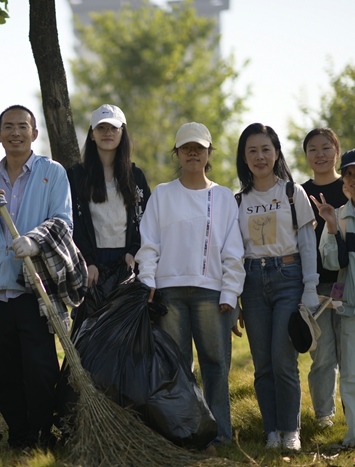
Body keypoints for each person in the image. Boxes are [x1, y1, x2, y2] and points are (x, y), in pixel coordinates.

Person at [0, 105, 72, 448]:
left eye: (22, 127)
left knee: (40, 370)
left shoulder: (51, 172)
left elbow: (63, 221)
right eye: (8, 127)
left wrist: (35, 240)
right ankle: (21, 437)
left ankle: (43, 432)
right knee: (3, 373)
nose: (15, 133)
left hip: (35, 289)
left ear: (34, 133)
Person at [136, 122, 245, 449]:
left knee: (216, 365)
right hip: (169, 293)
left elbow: (233, 249)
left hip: (212, 294)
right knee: (179, 367)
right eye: (186, 148)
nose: (193, 153)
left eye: (199, 148)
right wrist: (147, 281)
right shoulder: (162, 194)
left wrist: (230, 291)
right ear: (178, 153)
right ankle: (184, 434)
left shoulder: (224, 197)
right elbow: (149, 243)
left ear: (209, 153)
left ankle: (221, 434)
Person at [234, 123, 318, 452]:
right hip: (252, 283)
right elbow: (233, 252)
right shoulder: (238, 199)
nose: (260, 156)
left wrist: (310, 287)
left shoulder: (291, 192)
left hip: (288, 279)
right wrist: (234, 296)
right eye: (252, 150)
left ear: (277, 152)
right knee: (262, 363)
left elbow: (308, 243)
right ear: (244, 157)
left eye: (265, 149)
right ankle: (271, 431)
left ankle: (290, 431)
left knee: (284, 360)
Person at [315, 148, 355, 451]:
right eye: (349, 173)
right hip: (353, 303)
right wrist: (329, 225)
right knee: (353, 372)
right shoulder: (338, 215)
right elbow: (330, 263)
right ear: (343, 179)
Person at [67, 104, 150, 330]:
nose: (107, 133)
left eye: (113, 128)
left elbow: (149, 221)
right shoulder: (76, 175)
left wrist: (134, 252)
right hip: (91, 264)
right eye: (101, 128)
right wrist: (88, 261)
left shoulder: (136, 176)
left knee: (125, 334)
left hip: (126, 262)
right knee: (90, 332)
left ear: (123, 133)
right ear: (92, 134)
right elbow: (72, 222)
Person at [300, 128, 345, 429]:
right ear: (306, 156)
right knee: (324, 353)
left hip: (347, 282)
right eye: (313, 149)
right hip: (314, 286)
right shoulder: (299, 192)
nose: (320, 154)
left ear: (336, 152)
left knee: (351, 352)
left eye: (326, 148)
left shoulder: (351, 186)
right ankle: (324, 417)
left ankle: (353, 414)